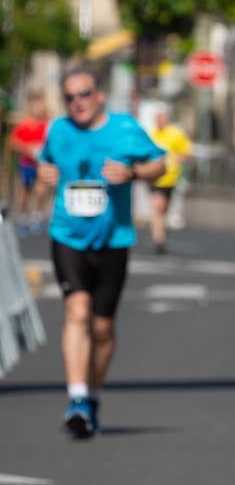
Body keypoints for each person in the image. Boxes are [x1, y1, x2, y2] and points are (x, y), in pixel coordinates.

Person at [36, 66, 167, 438]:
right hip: (68, 235)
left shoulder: (124, 129)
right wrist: (44, 178)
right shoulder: (58, 131)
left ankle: (93, 395)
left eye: (84, 94)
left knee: (103, 327)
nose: (78, 102)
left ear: (99, 95)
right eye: (71, 97)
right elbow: (46, 167)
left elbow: (160, 163)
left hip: (114, 239)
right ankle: (76, 398)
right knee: (77, 310)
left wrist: (135, 175)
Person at [147, 110, 192, 253]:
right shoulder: (151, 135)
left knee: (164, 208)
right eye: (158, 119)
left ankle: (161, 230)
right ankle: (158, 238)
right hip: (154, 178)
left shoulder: (175, 134)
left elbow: (186, 151)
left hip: (170, 178)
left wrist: (176, 160)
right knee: (158, 206)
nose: (160, 122)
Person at [10, 95, 50, 234]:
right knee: (25, 191)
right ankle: (23, 217)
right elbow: (14, 142)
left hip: (42, 164)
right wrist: (27, 149)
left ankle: (38, 216)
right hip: (26, 163)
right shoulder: (25, 124)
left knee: (41, 190)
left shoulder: (47, 125)